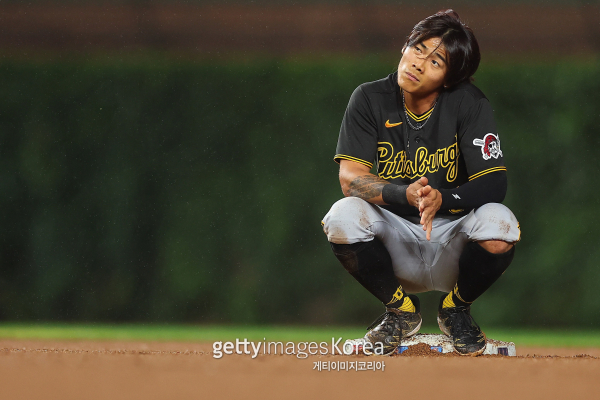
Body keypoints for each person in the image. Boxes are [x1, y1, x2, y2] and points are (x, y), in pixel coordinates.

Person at [322, 9, 520, 356]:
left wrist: (443, 198)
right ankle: (401, 311)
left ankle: (455, 308)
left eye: (436, 61)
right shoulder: (369, 98)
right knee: (341, 216)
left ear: (449, 78)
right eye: (418, 48)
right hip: (394, 240)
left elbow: (494, 183)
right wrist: (404, 194)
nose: (418, 63)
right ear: (405, 46)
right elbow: (350, 179)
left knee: (501, 223)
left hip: (452, 240)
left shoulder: (469, 103)